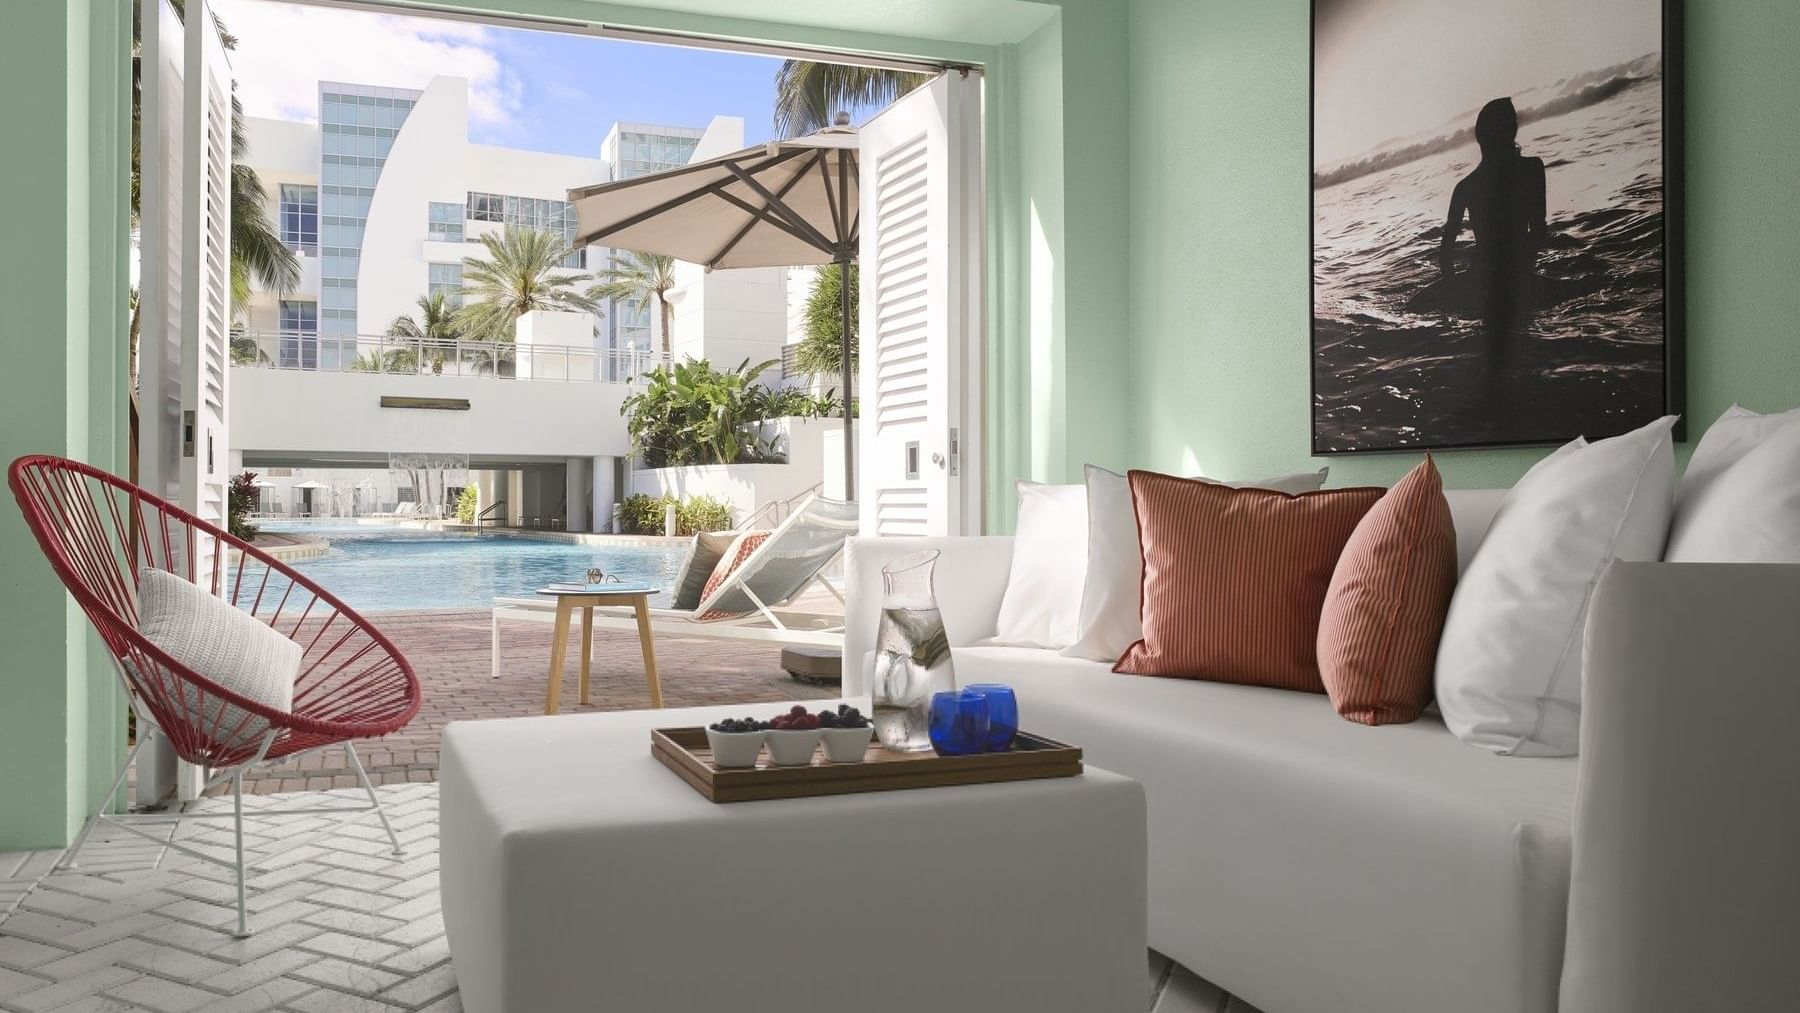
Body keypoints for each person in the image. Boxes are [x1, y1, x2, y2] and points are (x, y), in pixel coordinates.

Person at [1438, 97, 1547, 337]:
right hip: (1518, 274)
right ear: (1512, 131)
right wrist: (1521, 274)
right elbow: (1539, 233)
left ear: (1480, 137)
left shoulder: (1465, 187)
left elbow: (1445, 254)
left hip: (1479, 278)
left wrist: (1457, 290)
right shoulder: (1532, 169)